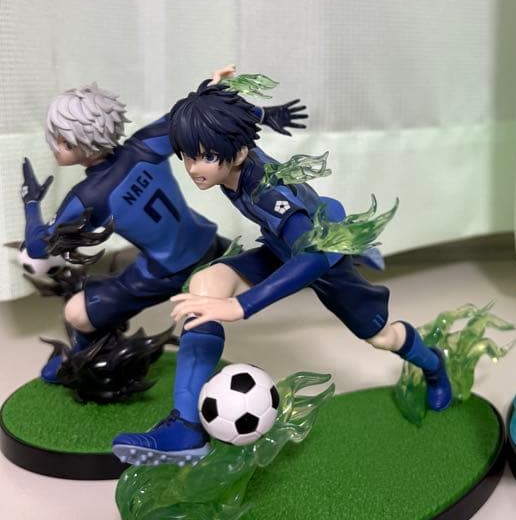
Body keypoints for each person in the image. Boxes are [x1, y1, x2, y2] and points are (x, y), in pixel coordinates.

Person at [112, 79, 452, 465]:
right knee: (205, 286)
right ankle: (186, 428)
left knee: (382, 337)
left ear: (238, 153)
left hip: (326, 262)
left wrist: (241, 306)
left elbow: (313, 256)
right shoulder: (231, 152)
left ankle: (433, 364)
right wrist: (253, 108)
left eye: (204, 157)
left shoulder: (267, 193)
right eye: (187, 157)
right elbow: (233, 119)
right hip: (280, 248)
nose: (193, 168)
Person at [21, 68, 306, 385]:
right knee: (283, 265)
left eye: (58, 140)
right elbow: (204, 116)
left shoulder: (89, 197)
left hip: (164, 273)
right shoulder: (146, 144)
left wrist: (31, 202)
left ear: (71, 140)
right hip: (210, 246)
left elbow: (38, 247)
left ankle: (81, 358)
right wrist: (264, 114)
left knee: (77, 312)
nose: (54, 146)